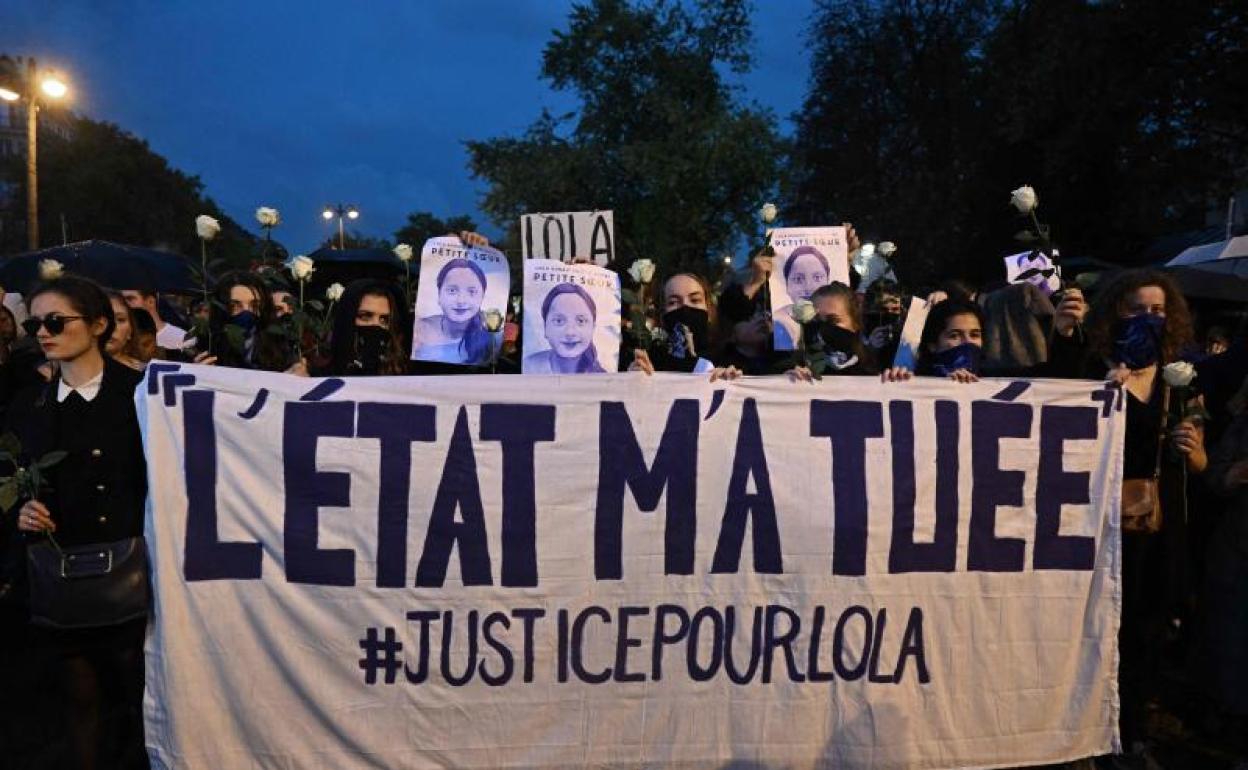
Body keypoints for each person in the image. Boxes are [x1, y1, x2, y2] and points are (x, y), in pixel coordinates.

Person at [1058, 269, 1207, 759]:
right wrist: (1099, 400)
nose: (1149, 319)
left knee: (1147, 626)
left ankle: (1132, 729)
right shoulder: (1091, 367)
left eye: (1158, 311)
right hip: (1099, 523)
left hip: (1160, 526)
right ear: (1114, 313)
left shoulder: (1179, 377)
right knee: (1097, 626)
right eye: (1136, 309)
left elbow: (1201, 464)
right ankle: (1083, 729)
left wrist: (1194, 450)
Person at [7, 275, 148, 769]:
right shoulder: (28, 405)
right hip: (59, 576)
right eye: (34, 323)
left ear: (97, 325)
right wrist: (19, 511)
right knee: (77, 701)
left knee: (134, 697)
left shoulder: (142, 396)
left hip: (130, 574)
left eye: (55, 321)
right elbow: (10, 478)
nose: (42, 332)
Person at [629, 272, 741, 381]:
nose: (685, 306)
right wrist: (638, 383)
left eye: (695, 300)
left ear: (709, 310)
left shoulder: (729, 356)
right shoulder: (650, 360)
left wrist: (729, 384)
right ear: (662, 315)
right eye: (673, 302)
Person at [205, 271, 301, 373]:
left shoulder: (278, 345)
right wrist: (196, 371)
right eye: (235, 305)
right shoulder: (206, 344)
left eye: (254, 305)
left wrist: (299, 376)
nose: (247, 311)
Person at [413, 258, 495, 365]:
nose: (461, 300)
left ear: (482, 297)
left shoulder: (492, 335)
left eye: (472, 292)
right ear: (439, 294)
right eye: (452, 290)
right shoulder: (420, 329)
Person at [788, 282, 877, 380]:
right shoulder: (796, 365)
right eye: (815, 320)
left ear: (855, 322)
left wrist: (894, 377)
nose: (822, 328)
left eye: (832, 320)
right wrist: (789, 381)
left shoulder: (876, 364)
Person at [324, 279, 409, 376]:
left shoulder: (404, 375)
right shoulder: (316, 377)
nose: (376, 324)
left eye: (384, 320)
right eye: (365, 317)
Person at [523, 283, 607, 374]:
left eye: (581, 321)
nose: (570, 332)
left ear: (593, 328)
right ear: (545, 327)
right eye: (559, 321)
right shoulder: (528, 366)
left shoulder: (602, 375)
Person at [774, 247, 832, 350]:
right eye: (798, 279)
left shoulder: (838, 321)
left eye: (817, 277)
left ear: (827, 281)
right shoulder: (777, 323)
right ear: (787, 285)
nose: (808, 287)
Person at [119, 286, 186, 352]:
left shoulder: (180, 338)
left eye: (130, 299)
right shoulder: (122, 336)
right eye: (122, 300)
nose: (124, 304)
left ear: (150, 302)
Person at [105, 290, 152, 371]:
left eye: (120, 320)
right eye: (104, 319)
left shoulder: (148, 374)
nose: (111, 327)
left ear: (130, 331)